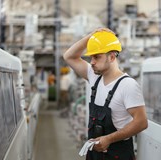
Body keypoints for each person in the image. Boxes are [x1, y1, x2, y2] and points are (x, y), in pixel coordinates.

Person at [63, 28, 148, 160]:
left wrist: (108, 139)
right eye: (91, 57)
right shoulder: (94, 77)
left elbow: (141, 122)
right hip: (95, 152)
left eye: (97, 57)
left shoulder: (128, 85)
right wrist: (91, 36)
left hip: (118, 154)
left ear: (112, 57)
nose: (92, 62)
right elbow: (69, 56)